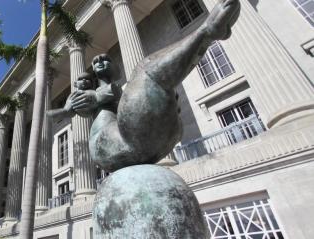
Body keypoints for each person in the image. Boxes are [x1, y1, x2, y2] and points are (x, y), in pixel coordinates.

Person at [69, 0, 241, 172]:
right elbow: (65, 111)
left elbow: (131, 103)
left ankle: (206, 33)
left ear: (118, 71)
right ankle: (206, 31)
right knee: (144, 69)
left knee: (146, 74)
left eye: (106, 59)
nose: (98, 60)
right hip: (109, 145)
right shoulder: (94, 92)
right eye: (95, 61)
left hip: (147, 140)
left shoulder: (117, 93)